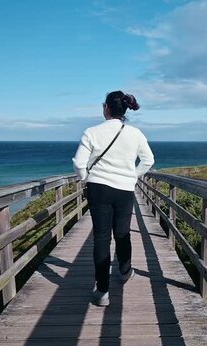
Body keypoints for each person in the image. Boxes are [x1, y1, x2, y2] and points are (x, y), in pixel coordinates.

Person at [72, 90, 155, 306]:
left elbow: (79, 163)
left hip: (98, 188)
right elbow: (148, 160)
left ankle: (102, 292)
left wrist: (86, 178)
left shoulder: (91, 132)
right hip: (125, 190)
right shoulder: (136, 133)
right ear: (125, 109)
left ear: (106, 108)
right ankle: (125, 272)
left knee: (101, 238)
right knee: (122, 233)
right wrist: (133, 175)